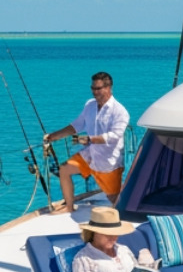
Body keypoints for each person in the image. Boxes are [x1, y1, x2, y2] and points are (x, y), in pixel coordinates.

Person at [46, 71, 129, 213]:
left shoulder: (120, 112)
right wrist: (54, 136)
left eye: (98, 89)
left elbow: (115, 136)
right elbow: (77, 125)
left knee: (115, 202)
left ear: (109, 88)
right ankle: (69, 207)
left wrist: (90, 139)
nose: (94, 92)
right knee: (64, 170)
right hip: (90, 156)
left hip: (108, 164)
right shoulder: (90, 105)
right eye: (93, 88)